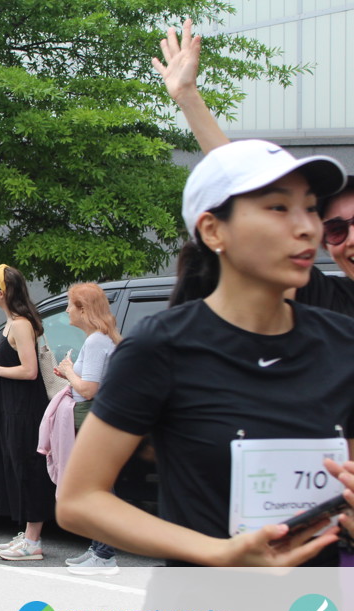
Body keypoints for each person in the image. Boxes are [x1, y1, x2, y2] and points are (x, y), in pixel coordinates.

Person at [57, 139, 354, 567]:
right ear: (213, 230)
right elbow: (78, 500)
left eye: (309, 208)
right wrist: (220, 552)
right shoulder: (159, 347)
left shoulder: (343, 343)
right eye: (278, 207)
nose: (308, 227)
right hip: (203, 603)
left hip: (318, 604)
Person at [154, 18, 354, 315]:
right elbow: (239, 179)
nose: (352, 239)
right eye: (336, 230)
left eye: (309, 208)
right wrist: (188, 97)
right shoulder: (330, 308)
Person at [0, 264, 54, 561]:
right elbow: (17, 357)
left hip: (25, 408)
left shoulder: (20, 323)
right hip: (12, 406)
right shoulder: (13, 324)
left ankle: (33, 541)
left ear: (3, 292)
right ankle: (29, 535)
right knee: (18, 466)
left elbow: (30, 371)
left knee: (29, 468)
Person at [51, 283, 121, 574]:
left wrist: (69, 371)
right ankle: (98, 548)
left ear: (83, 310)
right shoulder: (102, 339)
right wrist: (70, 373)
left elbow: (89, 389)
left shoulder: (95, 342)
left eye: (71, 305)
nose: (67, 310)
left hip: (92, 418)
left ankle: (104, 555)